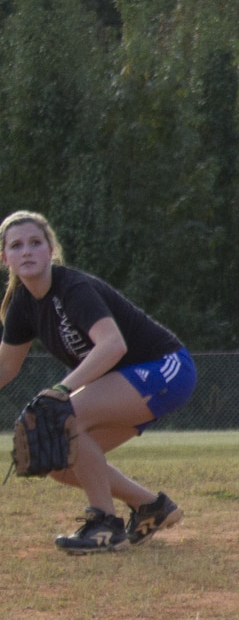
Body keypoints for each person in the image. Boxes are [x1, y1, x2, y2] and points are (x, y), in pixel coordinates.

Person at [0, 211, 194, 552]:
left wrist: (62, 390)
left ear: (50, 250)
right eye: (16, 246)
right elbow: (5, 366)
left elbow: (113, 344)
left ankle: (105, 524)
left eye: (35, 242)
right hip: (130, 384)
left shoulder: (72, 288)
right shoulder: (23, 305)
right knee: (60, 463)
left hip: (166, 368)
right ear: (5, 258)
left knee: (63, 418)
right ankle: (152, 507)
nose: (26, 251)